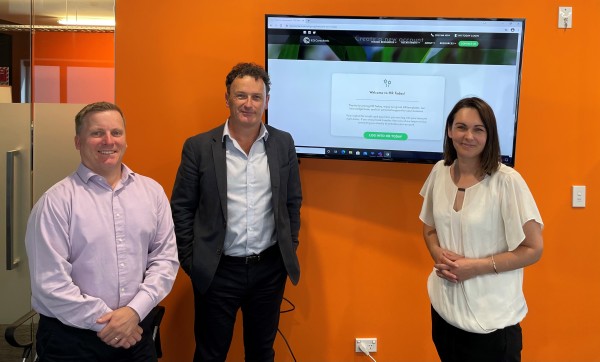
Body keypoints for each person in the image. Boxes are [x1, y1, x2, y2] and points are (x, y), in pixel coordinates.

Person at [25, 101, 179, 362]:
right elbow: (50, 284)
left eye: (116, 132)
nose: (109, 140)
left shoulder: (152, 193)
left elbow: (165, 261)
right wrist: (109, 324)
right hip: (71, 342)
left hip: (136, 333)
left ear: (125, 139)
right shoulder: (55, 202)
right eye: (97, 133)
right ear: (78, 141)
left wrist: (133, 312)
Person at [171, 62, 302, 362]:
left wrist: (288, 248)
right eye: (241, 95)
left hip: (268, 270)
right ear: (227, 98)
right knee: (209, 354)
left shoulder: (283, 144)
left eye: (257, 97)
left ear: (267, 101)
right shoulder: (199, 147)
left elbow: (292, 201)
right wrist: (193, 261)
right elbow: (181, 207)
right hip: (217, 271)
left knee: (261, 353)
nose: (249, 104)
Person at [419, 97, 544, 361]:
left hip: (492, 325)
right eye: (461, 127)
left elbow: (533, 249)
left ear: (489, 135)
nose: (468, 136)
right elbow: (429, 228)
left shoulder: (508, 182)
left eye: (478, 129)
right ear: (450, 131)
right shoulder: (439, 172)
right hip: (444, 314)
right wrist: (436, 253)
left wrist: (475, 267)